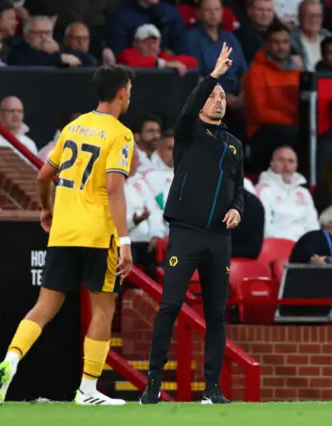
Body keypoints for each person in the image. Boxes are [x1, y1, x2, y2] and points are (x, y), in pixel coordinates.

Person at [0, 65, 136, 406]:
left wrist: (47, 208)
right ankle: (88, 390)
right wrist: (125, 241)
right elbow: (114, 187)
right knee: (102, 310)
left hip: (64, 230)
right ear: (122, 92)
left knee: (44, 306)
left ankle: (11, 359)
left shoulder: (73, 127)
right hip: (98, 233)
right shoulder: (120, 133)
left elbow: (43, 174)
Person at [140, 43, 244, 405]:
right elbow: (187, 109)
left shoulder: (234, 145)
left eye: (222, 96)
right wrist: (212, 75)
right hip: (185, 232)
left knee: (216, 314)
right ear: (201, 102)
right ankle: (153, 383)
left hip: (220, 237)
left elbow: (239, 189)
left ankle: (212, 389)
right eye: (213, 95)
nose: (219, 100)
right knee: (169, 306)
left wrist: (238, 209)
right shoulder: (187, 132)